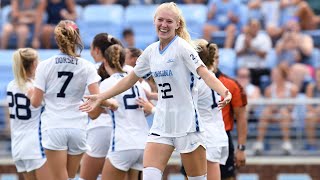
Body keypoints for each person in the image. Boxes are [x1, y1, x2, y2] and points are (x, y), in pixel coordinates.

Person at [80, 2, 232, 180]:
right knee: (150, 176)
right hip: (161, 123)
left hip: (187, 124)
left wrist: (224, 91)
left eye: (169, 21)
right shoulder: (151, 52)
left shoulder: (182, 47)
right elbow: (130, 79)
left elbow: (204, 72)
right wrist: (101, 96)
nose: (164, 25)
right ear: (154, 21)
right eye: (160, 20)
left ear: (178, 25)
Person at [28, 20, 115, 180]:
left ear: (57, 39)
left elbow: (35, 103)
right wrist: (110, 104)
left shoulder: (45, 65)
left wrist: (31, 93)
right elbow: (96, 100)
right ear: (77, 38)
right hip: (78, 127)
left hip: (54, 126)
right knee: (69, 177)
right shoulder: (87, 66)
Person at [97, 44, 149, 180]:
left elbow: (94, 113)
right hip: (143, 143)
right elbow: (145, 109)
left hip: (123, 143)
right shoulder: (136, 82)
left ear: (105, 62)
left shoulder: (107, 83)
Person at [79, 33, 123, 180]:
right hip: (124, 132)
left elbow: (93, 113)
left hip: (100, 129)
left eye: (91, 48)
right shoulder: (127, 71)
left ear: (97, 50)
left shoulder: (91, 70)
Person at [7, 48, 51, 180]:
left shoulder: (11, 85)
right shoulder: (34, 87)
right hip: (35, 146)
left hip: (17, 147)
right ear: (33, 64)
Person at [252, 66, 298, 155]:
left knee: (284, 112)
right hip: (273, 114)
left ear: (282, 75)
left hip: (288, 115)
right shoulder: (269, 89)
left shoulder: (292, 88)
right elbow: (269, 106)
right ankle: (259, 143)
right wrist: (279, 105)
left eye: (276, 74)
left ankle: (286, 143)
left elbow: (291, 107)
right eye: (273, 74)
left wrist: (279, 106)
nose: (273, 76)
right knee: (266, 112)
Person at [305, 68, 320, 151]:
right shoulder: (311, 87)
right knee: (309, 117)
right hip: (314, 113)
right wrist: (316, 111)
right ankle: (311, 144)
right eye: (318, 75)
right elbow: (308, 105)